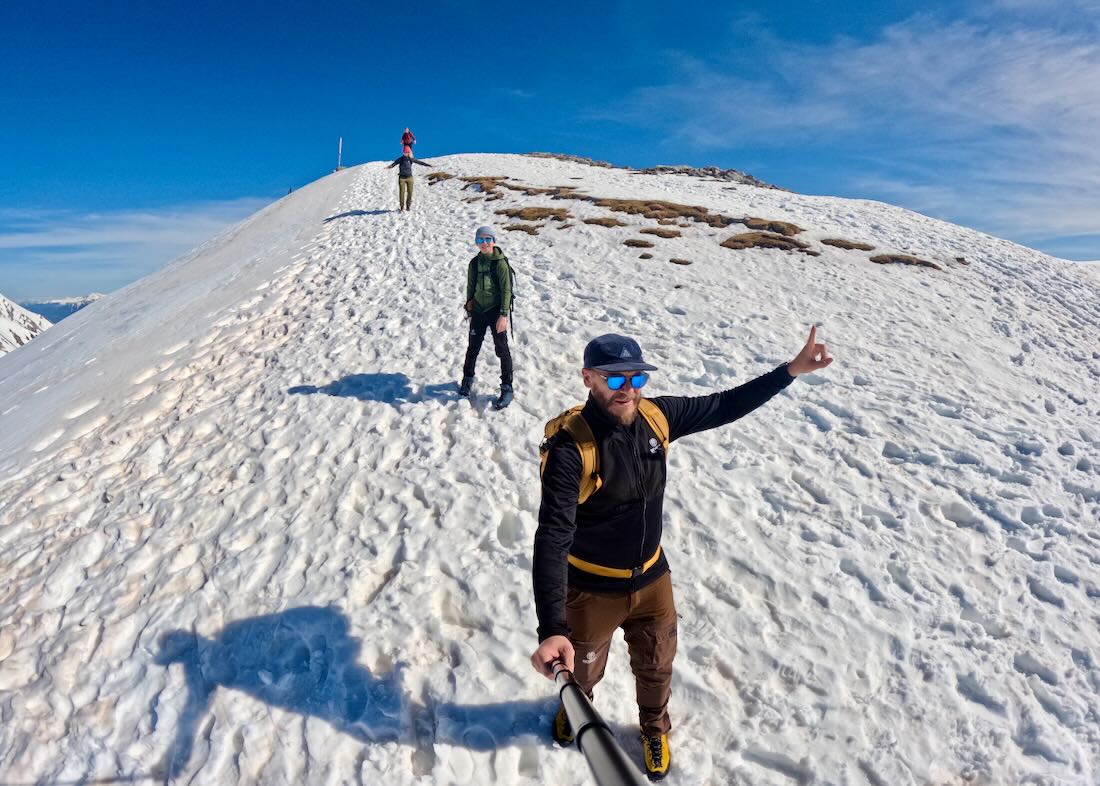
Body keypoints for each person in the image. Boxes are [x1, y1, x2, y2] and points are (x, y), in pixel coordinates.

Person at [530, 329, 833, 780]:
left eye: (636, 377)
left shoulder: (656, 417)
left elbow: (722, 405)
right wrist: (553, 629)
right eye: (614, 380)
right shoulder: (572, 450)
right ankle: (578, 709)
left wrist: (789, 372)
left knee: (657, 665)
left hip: (653, 579)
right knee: (583, 666)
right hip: (592, 590)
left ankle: (654, 728)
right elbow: (552, 537)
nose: (627, 389)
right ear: (588, 379)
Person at [459, 226, 514, 409]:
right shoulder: (474, 263)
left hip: (496, 311)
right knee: (473, 347)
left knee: (502, 349)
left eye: (488, 239)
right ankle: (467, 379)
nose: (484, 243)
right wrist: (469, 304)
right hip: (479, 311)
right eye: (480, 240)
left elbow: (507, 291)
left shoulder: (500, 263)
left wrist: (503, 315)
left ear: (494, 241)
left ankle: (507, 387)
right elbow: (470, 285)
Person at [386, 147, 432, 211]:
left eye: (407, 152)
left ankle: (408, 207)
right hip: (402, 178)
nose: (406, 153)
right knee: (402, 192)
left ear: (409, 153)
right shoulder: (400, 159)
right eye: (404, 152)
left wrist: (428, 165)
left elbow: (419, 162)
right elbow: (394, 164)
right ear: (403, 152)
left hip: (410, 178)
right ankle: (402, 207)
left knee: (410, 192)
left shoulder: (411, 159)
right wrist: (389, 167)